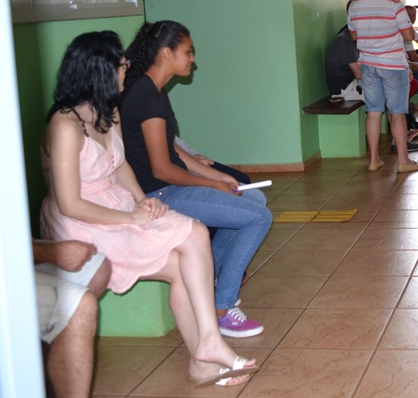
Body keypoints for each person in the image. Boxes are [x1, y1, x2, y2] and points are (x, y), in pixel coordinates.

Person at [41, 31, 258, 387]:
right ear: (100, 70)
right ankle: (207, 348)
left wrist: (141, 199)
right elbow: (70, 204)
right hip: (82, 220)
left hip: (116, 203)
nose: (127, 70)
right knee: (187, 254)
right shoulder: (65, 125)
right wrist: (131, 216)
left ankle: (205, 352)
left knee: (191, 245)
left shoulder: (107, 111)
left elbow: (120, 166)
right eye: (121, 65)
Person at [121, 20, 271, 338]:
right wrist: (213, 185)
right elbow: (162, 169)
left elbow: (173, 150)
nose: (193, 59)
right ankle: (221, 308)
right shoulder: (146, 97)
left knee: (254, 197)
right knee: (259, 217)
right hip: (161, 193)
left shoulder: (154, 91)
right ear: (166, 53)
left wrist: (219, 176)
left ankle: (204, 283)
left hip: (170, 186)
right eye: (188, 52)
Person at [348, 0, 418, 173]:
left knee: (373, 111)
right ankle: (403, 161)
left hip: (368, 64)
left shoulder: (354, 5)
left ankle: (374, 160)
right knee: (397, 113)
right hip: (392, 65)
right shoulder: (393, 3)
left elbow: (354, 36)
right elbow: (408, 35)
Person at [33, 239, 111, 398]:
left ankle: (48, 379)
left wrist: (50, 249)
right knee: (79, 303)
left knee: (95, 267)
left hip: (10, 262)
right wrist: (50, 252)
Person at [325, 0, 363, 101]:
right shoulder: (344, 40)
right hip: (344, 90)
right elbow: (359, 75)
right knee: (385, 91)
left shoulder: (353, 35)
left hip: (353, 84)